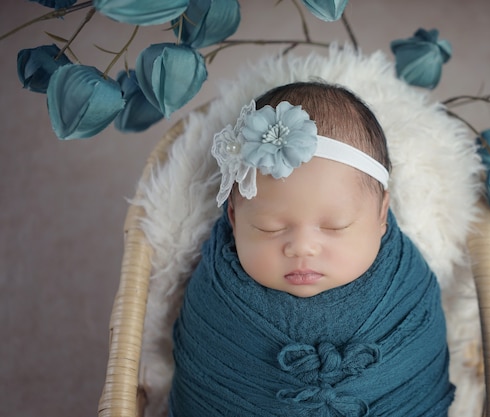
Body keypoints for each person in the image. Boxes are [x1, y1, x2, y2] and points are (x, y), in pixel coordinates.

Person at [168, 82, 455, 416]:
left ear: (380, 216)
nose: (301, 247)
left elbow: (420, 372)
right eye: (269, 228)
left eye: (335, 226)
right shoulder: (216, 293)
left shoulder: (407, 287)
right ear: (233, 218)